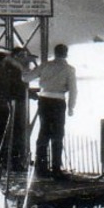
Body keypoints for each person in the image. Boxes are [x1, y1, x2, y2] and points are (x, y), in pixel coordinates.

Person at [30, 43, 77, 178]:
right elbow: (73, 90)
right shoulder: (69, 69)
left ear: (55, 53)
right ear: (66, 53)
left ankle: (41, 168)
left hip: (44, 101)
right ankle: (56, 169)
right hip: (58, 102)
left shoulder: (45, 65)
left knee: (43, 132)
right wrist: (71, 107)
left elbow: (26, 78)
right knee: (57, 134)